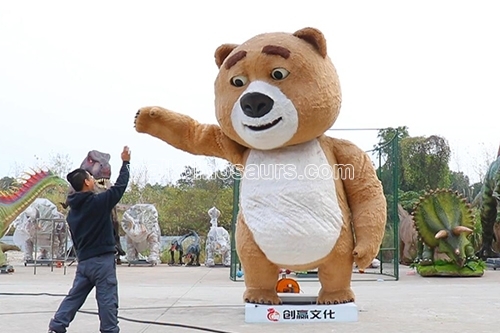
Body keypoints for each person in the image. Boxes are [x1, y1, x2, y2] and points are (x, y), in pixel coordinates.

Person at [48, 146, 131, 333]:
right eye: (91, 177)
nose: (94, 180)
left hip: (84, 263)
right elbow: (119, 188)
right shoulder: (98, 203)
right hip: (102, 262)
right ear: (87, 182)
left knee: (74, 297)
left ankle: (57, 326)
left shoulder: (72, 213)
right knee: (107, 300)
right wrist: (126, 163)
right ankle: (109, 330)